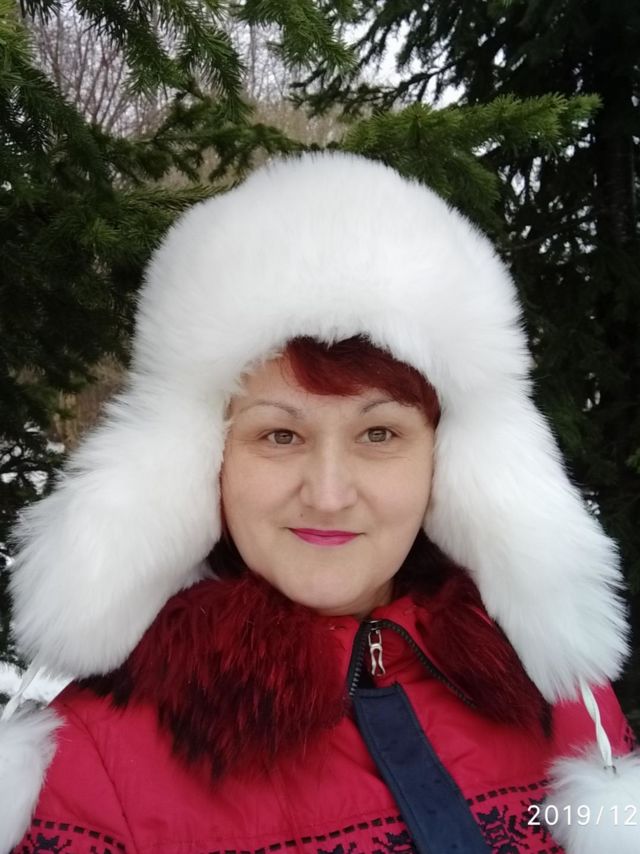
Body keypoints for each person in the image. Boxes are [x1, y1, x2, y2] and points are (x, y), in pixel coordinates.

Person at [1, 153, 638, 854]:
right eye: (279, 435)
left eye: (379, 434)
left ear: (451, 465)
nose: (329, 495)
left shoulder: (563, 704)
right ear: (201, 463)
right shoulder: (89, 764)